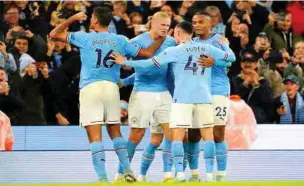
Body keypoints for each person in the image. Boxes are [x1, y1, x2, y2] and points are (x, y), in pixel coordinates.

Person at [110, 21, 236, 182]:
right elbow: (231, 57)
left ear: (177, 33)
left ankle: (180, 175)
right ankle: (210, 176)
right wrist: (225, 45)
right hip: (204, 98)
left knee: (177, 137)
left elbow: (149, 63)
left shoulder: (175, 50)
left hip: (182, 99)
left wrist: (124, 62)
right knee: (208, 137)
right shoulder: (207, 48)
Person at [50, 6, 164, 182]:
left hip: (90, 88)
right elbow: (147, 53)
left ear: (95, 20)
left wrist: (73, 18)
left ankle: (103, 179)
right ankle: (127, 170)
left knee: (95, 135)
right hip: (111, 88)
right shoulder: (120, 39)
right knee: (115, 132)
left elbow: (54, 34)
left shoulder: (84, 38)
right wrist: (161, 38)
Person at [115, 11, 176, 183]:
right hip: (142, 92)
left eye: (167, 25)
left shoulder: (171, 42)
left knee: (172, 133)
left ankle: (168, 175)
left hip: (164, 93)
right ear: (153, 23)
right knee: (137, 134)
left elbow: (170, 71)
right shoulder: (136, 42)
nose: (165, 28)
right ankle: (121, 174)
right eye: (162, 25)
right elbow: (138, 66)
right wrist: (123, 81)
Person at [190, 11, 235, 181]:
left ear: (210, 24)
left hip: (217, 90)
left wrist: (214, 62)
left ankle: (221, 174)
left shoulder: (219, 41)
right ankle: (194, 175)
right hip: (197, 92)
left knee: (217, 134)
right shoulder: (192, 42)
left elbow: (231, 61)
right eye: (194, 22)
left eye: (201, 22)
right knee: (194, 134)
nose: (197, 25)